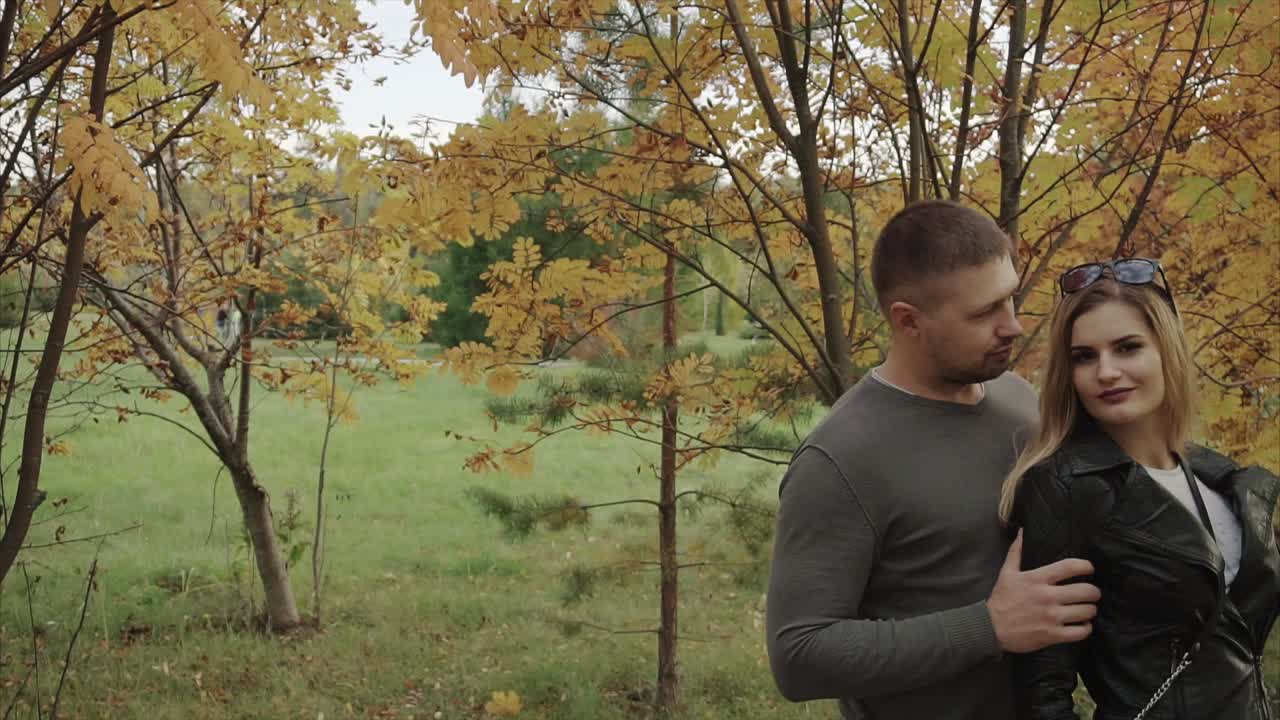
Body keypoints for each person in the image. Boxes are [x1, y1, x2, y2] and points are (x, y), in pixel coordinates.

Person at [766, 200, 1101, 720]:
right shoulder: (842, 457)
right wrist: (989, 627)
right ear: (908, 321)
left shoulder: (1016, 400)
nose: (1011, 326)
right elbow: (800, 656)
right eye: (984, 312)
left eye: (1009, 299)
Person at [1000, 258, 1280, 718]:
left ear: (1165, 351)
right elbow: (1040, 687)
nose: (1106, 372)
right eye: (1084, 357)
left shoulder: (1216, 476)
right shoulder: (1068, 486)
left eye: (1127, 348)